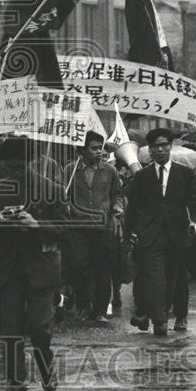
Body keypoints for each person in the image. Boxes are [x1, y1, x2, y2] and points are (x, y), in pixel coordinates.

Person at [0, 136, 69, 391]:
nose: (16, 171)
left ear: (33, 161)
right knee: (10, 327)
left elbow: (65, 229)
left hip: (41, 267)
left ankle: (46, 368)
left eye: (21, 165)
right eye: (11, 166)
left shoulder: (52, 189)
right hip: (9, 267)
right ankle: (15, 381)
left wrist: (37, 226)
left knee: (39, 326)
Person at [125, 128, 196, 335]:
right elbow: (133, 209)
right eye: (155, 146)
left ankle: (181, 315)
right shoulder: (142, 176)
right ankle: (160, 321)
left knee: (176, 279)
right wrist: (128, 237)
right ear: (149, 150)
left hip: (178, 234)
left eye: (164, 145)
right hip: (151, 236)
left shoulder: (185, 174)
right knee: (156, 278)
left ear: (170, 146)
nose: (160, 150)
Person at [63, 130, 125, 322]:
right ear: (82, 150)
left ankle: (99, 310)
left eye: (101, 148)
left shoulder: (109, 170)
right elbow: (63, 194)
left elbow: (117, 193)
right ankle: (83, 305)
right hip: (78, 227)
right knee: (79, 266)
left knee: (103, 268)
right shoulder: (70, 170)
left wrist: (117, 207)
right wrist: (64, 204)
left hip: (102, 226)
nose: (99, 152)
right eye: (94, 148)